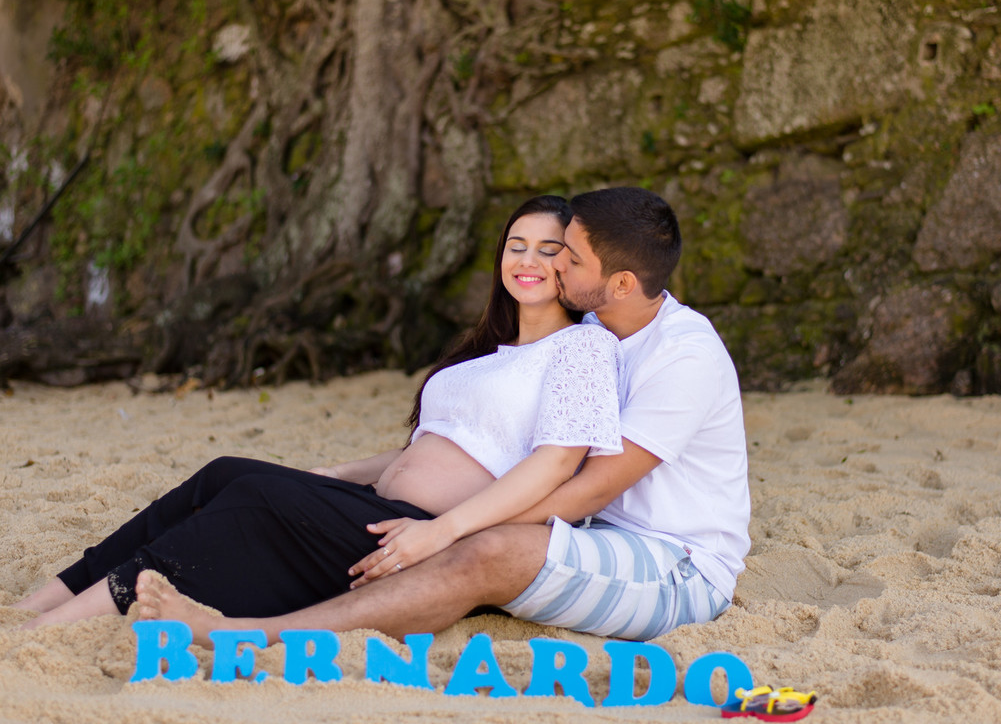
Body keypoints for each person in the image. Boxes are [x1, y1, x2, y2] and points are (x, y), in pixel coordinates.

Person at [136, 186, 751, 643]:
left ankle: (252, 636)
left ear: (620, 283)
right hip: (582, 537)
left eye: (571, 259)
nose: (554, 264)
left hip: (675, 564)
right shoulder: (591, 329)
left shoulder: (684, 356)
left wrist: (450, 525)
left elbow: (591, 488)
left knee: (485, 551)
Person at [15, 195, 623, 629]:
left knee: (254, 498)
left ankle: (65, 623)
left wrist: (442, 531)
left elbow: (553, 465)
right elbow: (440, 446)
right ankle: (47, 598)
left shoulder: (582, 347)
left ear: (572, 264)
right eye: (516, 245)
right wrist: (335, 475)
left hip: (427, 534)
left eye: (549, 250)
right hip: (383, 508)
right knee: (225, 471)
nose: (528, 260)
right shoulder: (486, 356)